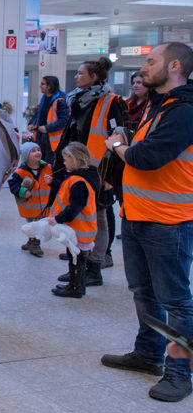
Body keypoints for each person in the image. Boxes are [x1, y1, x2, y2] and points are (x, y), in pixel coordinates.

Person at [102, 41, 193, 403]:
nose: (144, 67)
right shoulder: (160, 108)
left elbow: (146, 157)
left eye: (151, 61)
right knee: (144, 293)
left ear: (173, 66)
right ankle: (149, 354)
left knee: (176, 300)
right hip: (139, 216)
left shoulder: (183, 111)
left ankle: (180, 373)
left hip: (169, 222)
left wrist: (116, 146)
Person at [52, 57, 125, 286]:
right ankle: (77, 267)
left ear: (95, 77)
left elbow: (119, 138)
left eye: (81, 73)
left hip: (98, 173)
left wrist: (111, 177)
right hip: (75, 169)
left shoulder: (111, 102)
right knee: (74, 215)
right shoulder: (77, 100)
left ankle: (95, 266)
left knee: (99, 218)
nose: (76, 76)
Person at [48, 143, 100, 299]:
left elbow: (75, 206)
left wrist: (58, 219)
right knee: (78, 259)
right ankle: (77, 284)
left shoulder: (78, 181)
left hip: (79, 229)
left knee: (76, 259)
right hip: (82, 229)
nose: (64, 163)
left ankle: (75, 287)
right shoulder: (87, 176)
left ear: (74, 159)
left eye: (65, 160)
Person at [9, 142, 52, 257]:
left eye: (38, 150)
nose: (38, 152)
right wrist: (23, 192)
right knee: (31, 225)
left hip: (44, 205)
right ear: (26, 155)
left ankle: (35, 244)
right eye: (33, 151)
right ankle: (31, 240)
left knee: (38, 225)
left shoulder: (48, 168)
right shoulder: (20, 172)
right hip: (29, 206)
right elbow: (13, 184)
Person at [28, 76, 68, 164]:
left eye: (43, 84)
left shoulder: (61, 100)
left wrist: (47, 128)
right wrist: (32, 123)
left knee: (49, 164)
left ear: (49, 86)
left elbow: (64, 121)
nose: (40, 86)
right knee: (40, 162)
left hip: (53, 139)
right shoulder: (44, 98)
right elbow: (39, 114)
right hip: (42, 135)